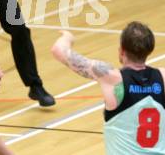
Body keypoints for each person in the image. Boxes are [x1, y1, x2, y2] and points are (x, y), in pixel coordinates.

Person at [51, 21, 165, 154]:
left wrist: (67, 37)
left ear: (122, 50)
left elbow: (58, 50)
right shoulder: (162, 77)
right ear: (149, 49)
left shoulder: (111, 78)